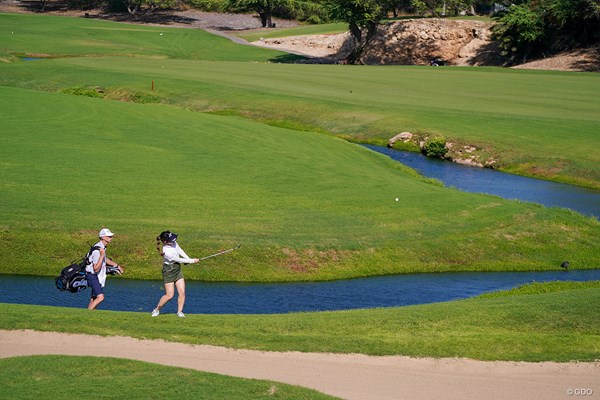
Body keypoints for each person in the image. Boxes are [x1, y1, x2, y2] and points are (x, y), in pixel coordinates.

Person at [152, 231, 199, 318]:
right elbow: (177, 259)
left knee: (182, 292)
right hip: (168, 271)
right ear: (165, 241)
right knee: (169, 295)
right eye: (171, 240)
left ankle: (179, 312)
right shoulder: (166, 251)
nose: (173, 241)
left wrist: (188, 258)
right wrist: (192, 261)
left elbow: (179, 250)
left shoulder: (173, 242)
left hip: (177, 269)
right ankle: (157, 309)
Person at [86, 228, 123, 310]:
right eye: (109, 236)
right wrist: (102, 255)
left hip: (97, 276)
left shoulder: (102, 248)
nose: (111, 238)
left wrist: (117, 265)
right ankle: (87, 315)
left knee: (94, 299)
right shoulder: (98, 250)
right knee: (100, 297)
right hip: (93, 276)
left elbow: (105, 260)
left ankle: (90, 316)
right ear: (103, 237)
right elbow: (95, 268)